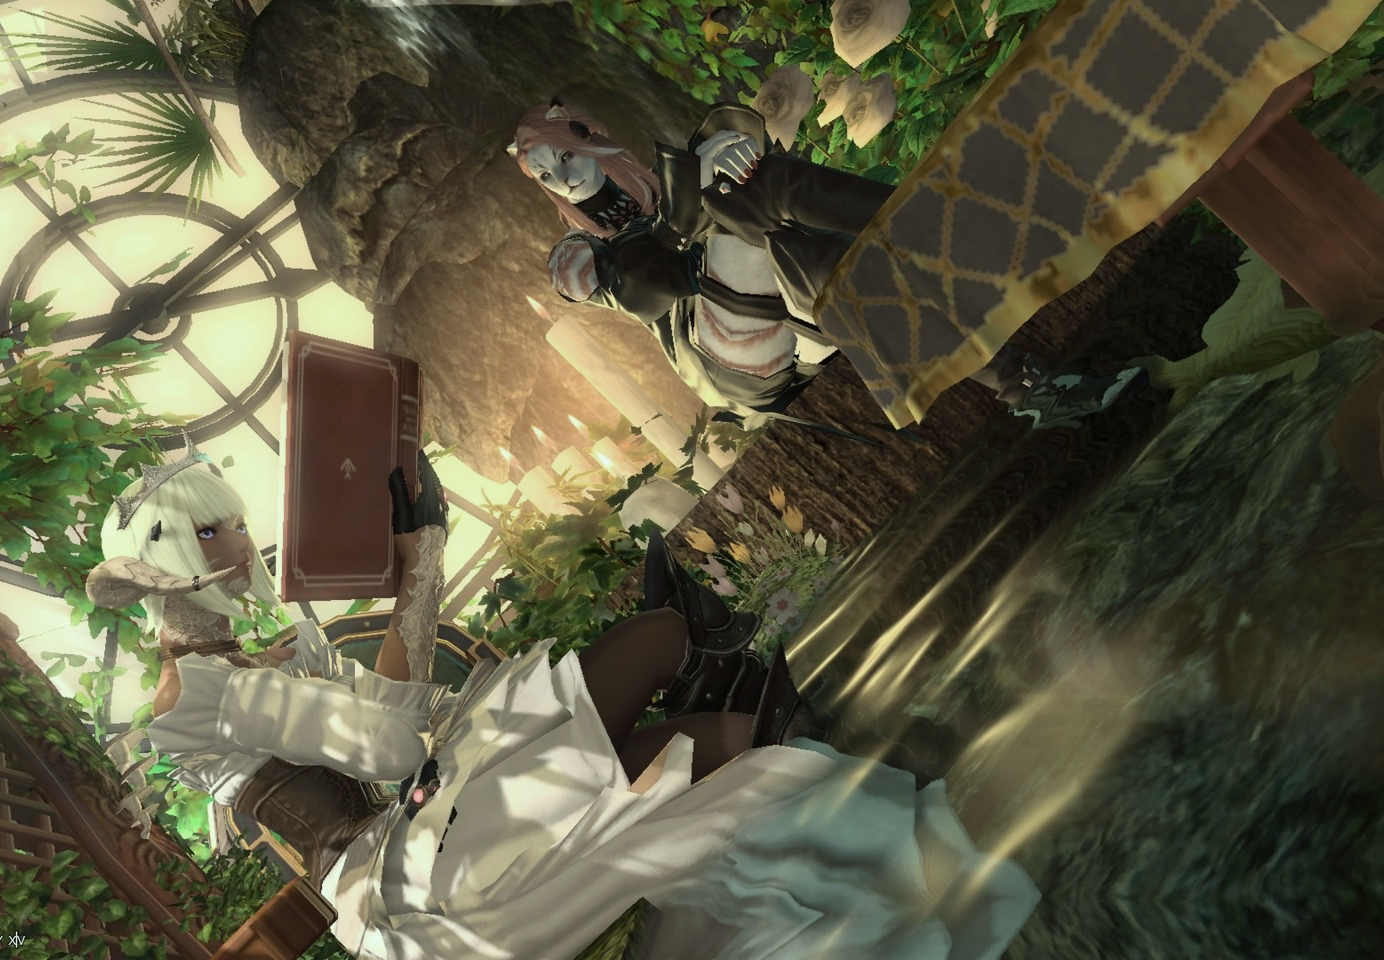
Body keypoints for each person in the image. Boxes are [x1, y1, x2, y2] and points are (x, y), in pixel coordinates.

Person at [88, 440, 1040, 960]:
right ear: (162, 562)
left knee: (720, 745)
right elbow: (387, 746)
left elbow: (398, 716)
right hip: (411, 893)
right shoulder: (196, 696)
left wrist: (418, 569)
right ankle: (718, 658)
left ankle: (840, 754)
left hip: (431, 828)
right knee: (635, 666)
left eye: (234, 524)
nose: (240, 545)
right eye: (212, 534)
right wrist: (415, 594)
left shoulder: (260, 656)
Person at [514, 100, 1143, 430]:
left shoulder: (662, 180)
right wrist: (697, 183)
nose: (562, 179)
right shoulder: (575, 255)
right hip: (729, 362)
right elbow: (645, 286)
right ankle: (948, 227)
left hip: (789, 301)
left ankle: (1026, 386)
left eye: (563, 157)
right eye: (544, 176)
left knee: (784, 220)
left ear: (591, 139)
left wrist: (713, 163)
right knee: (735, 197)